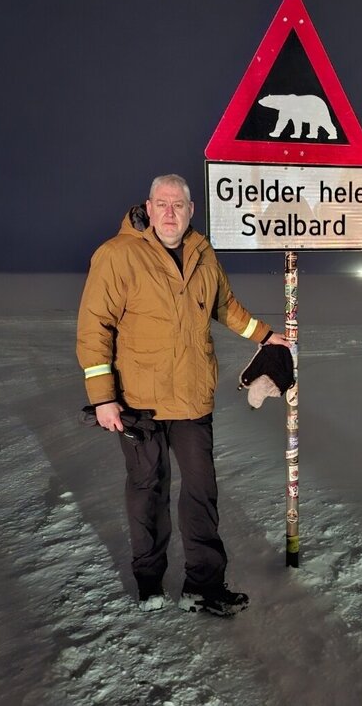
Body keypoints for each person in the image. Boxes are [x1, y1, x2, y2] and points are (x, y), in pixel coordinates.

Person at [76, 173, 289, 616]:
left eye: (179, 205)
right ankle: (149, 582)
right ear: (148, 208)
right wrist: (103, 397)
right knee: (148, 490)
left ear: (192, 210)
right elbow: (94, 326)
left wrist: (265, 336)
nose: (170, 212)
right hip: (138, 402)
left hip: (192, 397)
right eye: (162, 204)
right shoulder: (117, 255)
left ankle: (203, 586)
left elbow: (225, 306)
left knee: (201, 492)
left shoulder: (202, 252)